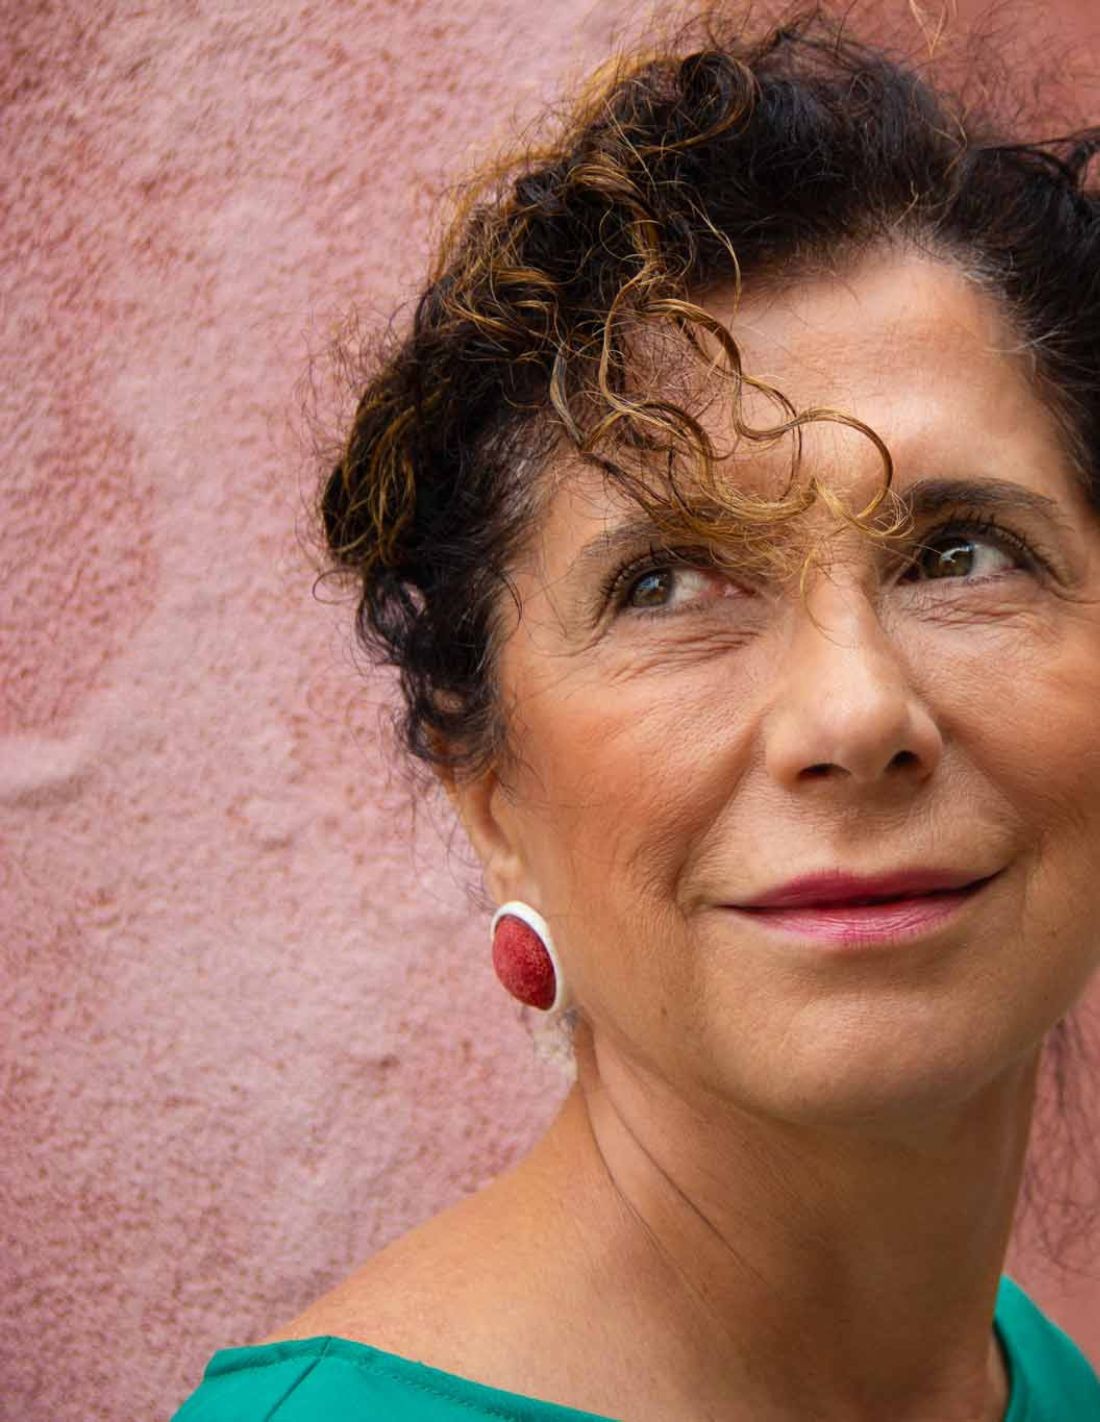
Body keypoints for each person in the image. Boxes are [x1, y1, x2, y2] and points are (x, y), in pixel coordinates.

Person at [172, 5, 1100, 1418]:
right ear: (490, 788)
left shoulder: (1039, 1379)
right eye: (669, 583)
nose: (856, 711)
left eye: (960, 553)